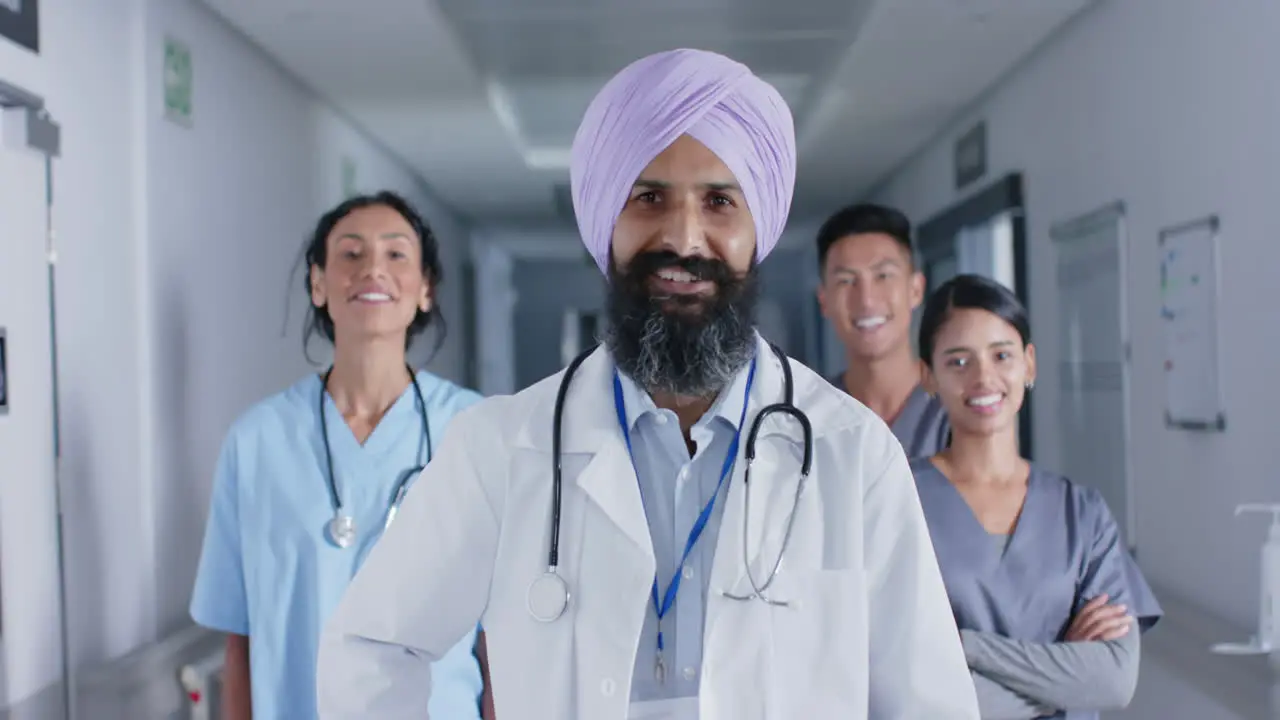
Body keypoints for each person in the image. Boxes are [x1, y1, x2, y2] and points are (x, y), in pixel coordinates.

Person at [315, 48, 980, 720]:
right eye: (649, 197)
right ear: (606, 220)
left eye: (720, 201)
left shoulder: (851, 452)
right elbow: (372, 646)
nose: (684, 239)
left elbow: (932, 703)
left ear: (760, 230)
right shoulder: (501, 448)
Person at [188, 191, 488, 719]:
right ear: (318, 283)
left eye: (396, 254)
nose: (373, 267)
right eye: (351, 253)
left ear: (425, 290)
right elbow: (241, 639)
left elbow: (499, 637)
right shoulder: (257, 441)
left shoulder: (475, 432)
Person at [911, 274, 1162, 720]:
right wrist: (1065, 668)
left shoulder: (1081, 514)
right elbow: (909, 692)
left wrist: (966, 647)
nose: (983, 377)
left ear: (1029, 364)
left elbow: (1113, 680)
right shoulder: (899, 503)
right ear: (928, 375)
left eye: (1001, 355)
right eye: (958, 361)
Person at [816, 203, 949, 458]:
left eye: (883, 276)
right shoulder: (809, 416)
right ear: (824, 301)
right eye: (846, 281)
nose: (866, 299)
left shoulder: (954, 407)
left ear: (916, 290)